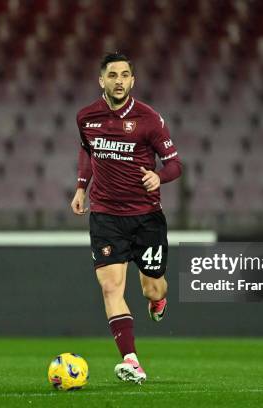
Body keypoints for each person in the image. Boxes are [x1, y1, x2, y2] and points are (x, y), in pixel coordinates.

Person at [70, 52, 182, 384]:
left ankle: (159, 298)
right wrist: (80, 188)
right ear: (101, 80)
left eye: (125, 75)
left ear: (132, 80)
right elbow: (88, 151)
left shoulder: (149, 119)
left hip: (146, 217)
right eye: (113, 75)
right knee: (110, 287)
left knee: (151, 288)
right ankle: (131, 360)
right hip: (105, 216)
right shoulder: (86, 117)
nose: (119, 81)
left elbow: (175, 164)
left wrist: (158, 177)